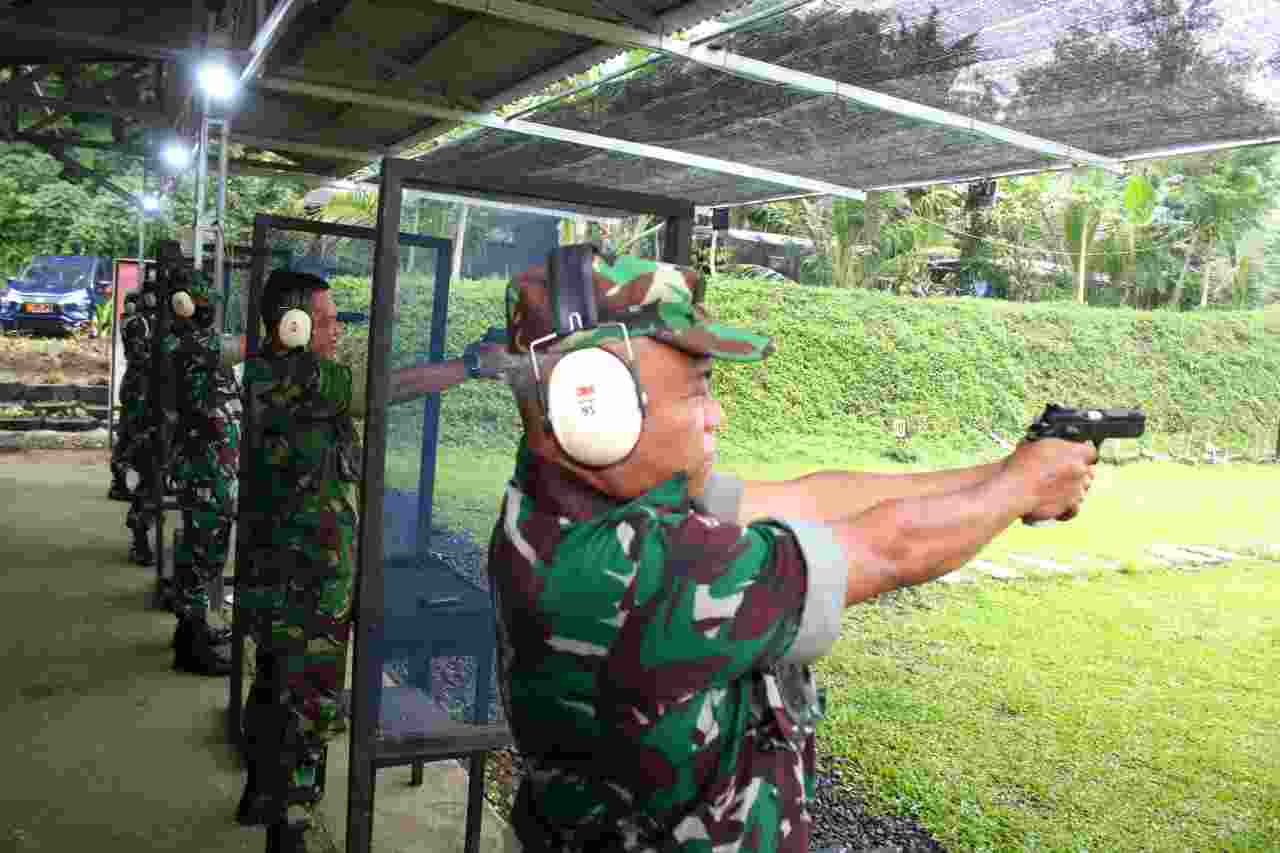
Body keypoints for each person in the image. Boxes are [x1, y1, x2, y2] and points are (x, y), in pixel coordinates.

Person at [484, 245, 1097, 852]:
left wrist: (1009, 472)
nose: (716, 416)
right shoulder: (619, 571)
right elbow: (889, 549)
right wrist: (1022, 487)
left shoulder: (568, 507)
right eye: (698, 390)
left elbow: (811, 498)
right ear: (592, 408)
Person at [234, 269, 508, 852]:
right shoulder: (290, 375)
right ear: (291, 324)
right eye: (325, 321)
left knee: (280, 690)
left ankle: (265, 795)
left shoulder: (289, 375)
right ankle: (290, 825)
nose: (336, 331)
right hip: (301, 584)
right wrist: (472, 366)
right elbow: (387, 385)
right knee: (307, 702)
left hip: (297, 576)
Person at [164, 273, 243, 677]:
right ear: (187, 305)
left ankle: (191, 630)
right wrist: (289, 328)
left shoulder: (196, 344)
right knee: (201, 552)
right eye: (204, 301)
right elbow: (247, 345)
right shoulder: (191, 344)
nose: (211, 308)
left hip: (213, 467)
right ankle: (191, 646)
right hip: (204, 468)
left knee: (207, 549)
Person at [109, 293, 150, 503]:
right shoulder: (136, 323)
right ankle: (122, 481)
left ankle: (120, 481)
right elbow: (139, 355)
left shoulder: (131, 321)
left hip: (133, 381)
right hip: (137, 382)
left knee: (128, 432)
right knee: (132, 433)